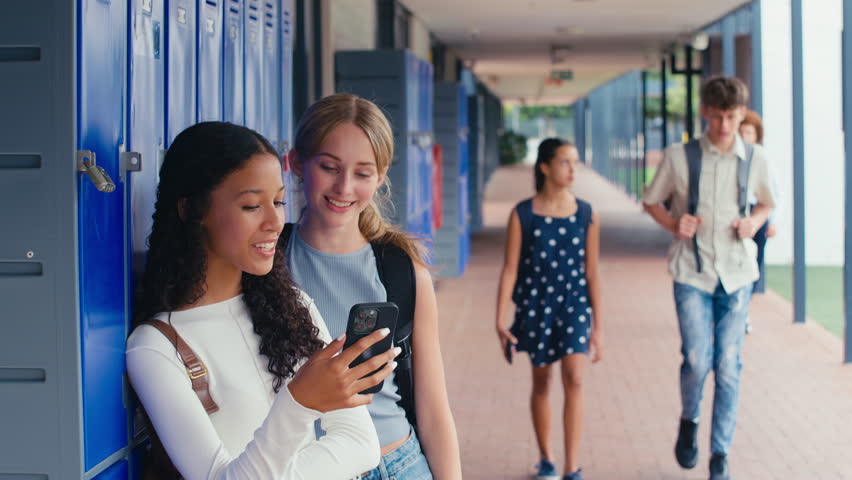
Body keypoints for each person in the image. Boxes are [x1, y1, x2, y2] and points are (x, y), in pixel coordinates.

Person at [126, 121, 398, 479]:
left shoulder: (292, 306)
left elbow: (361, 444)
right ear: (192, 210)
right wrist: (299, 402)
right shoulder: (155, 348)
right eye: (252, 205)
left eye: (279, 201)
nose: (274, 221)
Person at [285, 93, 463, 480]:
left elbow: (433, 409)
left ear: (380, 178)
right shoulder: (266, 262)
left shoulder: (401, 270)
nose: (344, 187)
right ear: (297, 162)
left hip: (393, 465)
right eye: (330, 167)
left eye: (362, 173)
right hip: (301, 467)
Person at [642, 76, 776, 480]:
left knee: (729, 365)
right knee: (699, 360)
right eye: (717, 117)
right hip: (692, 272)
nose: (723, 126)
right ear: (705, 112)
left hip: (737, 273)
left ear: (741, 114)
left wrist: (753, 221)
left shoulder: (755, 158)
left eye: (732, 117)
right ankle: (690, 419)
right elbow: (651, 201)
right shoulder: (680, 157)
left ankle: (720, 454)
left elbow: (768, 204)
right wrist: (672, 222)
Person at [495, 138, 603, 480]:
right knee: (541, 383)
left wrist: (599, 326)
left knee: (575, 378)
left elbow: (592, 272)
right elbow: (510, 269)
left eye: (575, 162)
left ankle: (572, 466)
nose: (573, 170)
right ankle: (547, 460)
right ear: (544, 167)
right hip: (536, 305)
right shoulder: (523, 214)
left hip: (573, 305)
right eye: (564, 162)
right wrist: (500, 320)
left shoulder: (586, 214)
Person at [738, 110, 777, 333]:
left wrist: (770, 221)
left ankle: (743, 310)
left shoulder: (761, 158)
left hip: (758, 213)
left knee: (754, 264)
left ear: (756, 135)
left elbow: (774, 194)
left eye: (749, 132)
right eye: (742, 132)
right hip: (737, 215)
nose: (745, 136)